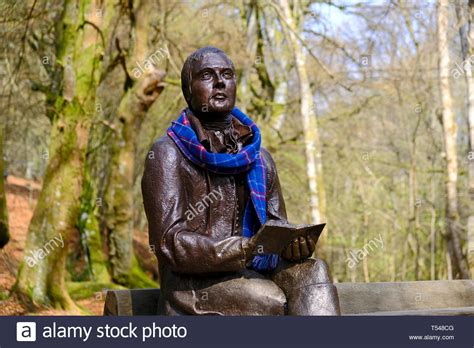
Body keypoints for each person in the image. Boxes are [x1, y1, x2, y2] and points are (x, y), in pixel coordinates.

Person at [141, 46, 340, 315]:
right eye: (207, 75)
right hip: (192, 286)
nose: (221, 82)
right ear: (188, 90)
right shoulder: (167, 154)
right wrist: (242, 249)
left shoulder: (259, 158)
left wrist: (293, 246)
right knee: (266, 298)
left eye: (227, 74)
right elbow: (170, 244)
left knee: (314, 273)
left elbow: (276, 227)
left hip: (255, 270)